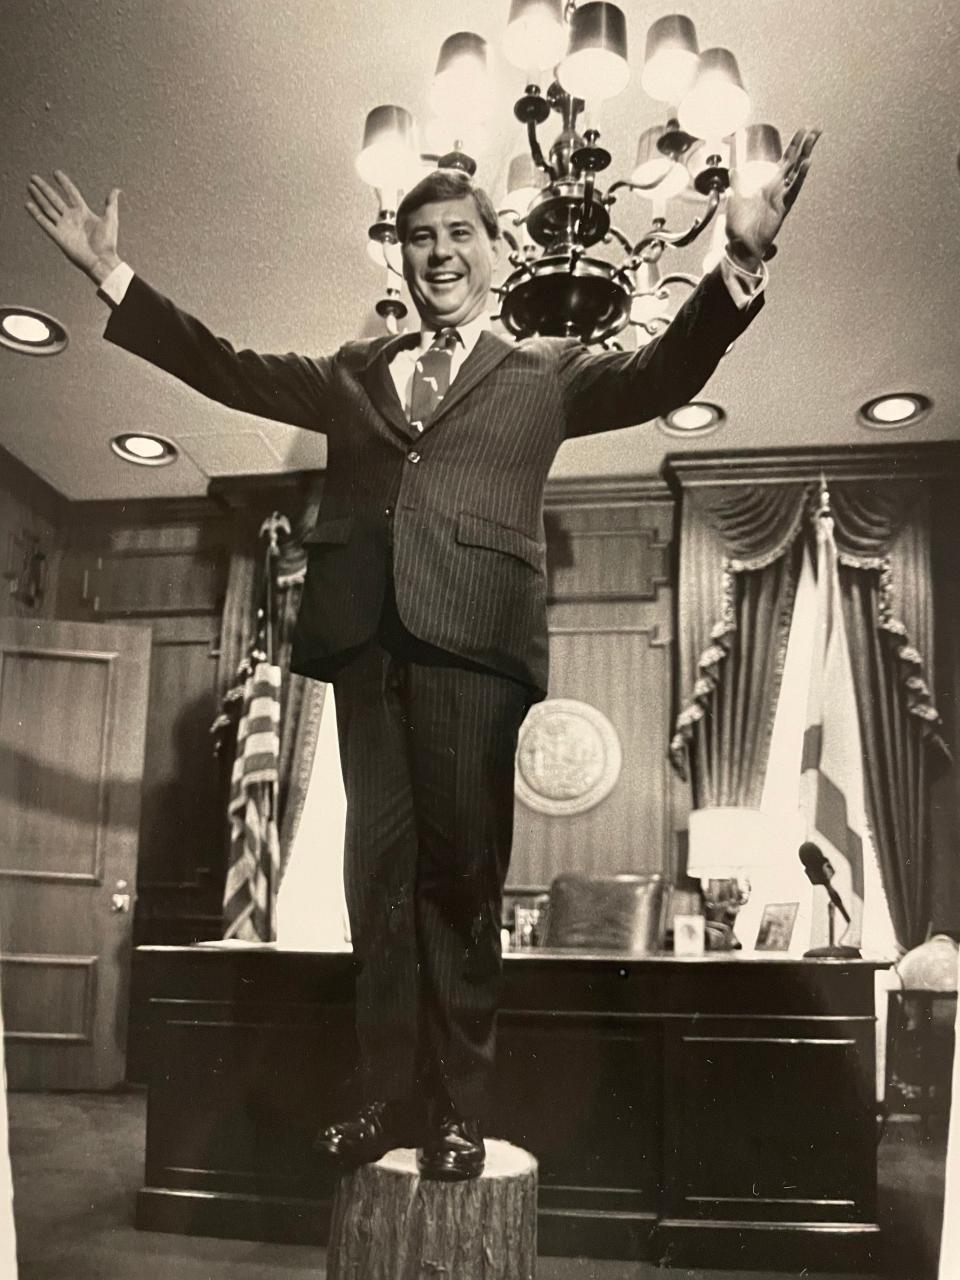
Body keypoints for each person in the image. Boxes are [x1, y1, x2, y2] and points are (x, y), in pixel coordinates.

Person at [26, 130, 818, 1180]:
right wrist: (111, 273)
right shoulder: (354, 373)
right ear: (396, 257)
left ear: (496, 250)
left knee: (459, 881)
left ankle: (455, 1110)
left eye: (458, 234)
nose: (438, 252)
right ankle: (385, 1097)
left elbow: (668, 367)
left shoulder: (548, 368)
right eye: (418, 237)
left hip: (473, 648)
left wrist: (740, 262)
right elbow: (225, 367)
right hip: (365, 641)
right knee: (378, 883)